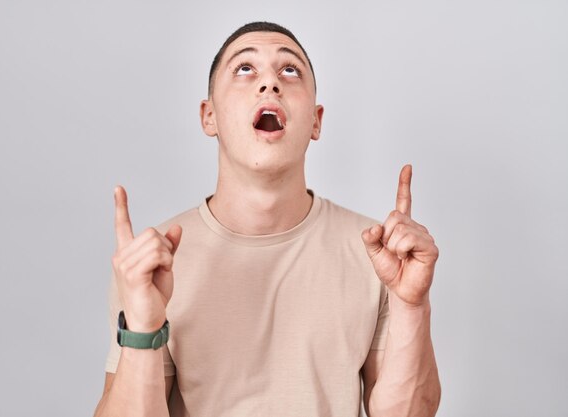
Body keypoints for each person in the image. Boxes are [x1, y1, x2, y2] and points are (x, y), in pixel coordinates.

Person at [93, 21, 440, 417]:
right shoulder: (153, 263)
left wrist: (413, 305)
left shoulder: (376, 253)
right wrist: (142, 325)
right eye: (245, 69)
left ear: (315, 121)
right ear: (209, 117)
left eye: (289, 70)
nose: (270, 83)